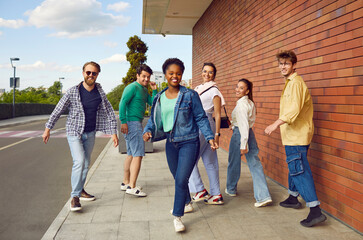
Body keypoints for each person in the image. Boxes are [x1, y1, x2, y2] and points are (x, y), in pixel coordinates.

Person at [143, 58, 218, 233]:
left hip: (189, 142)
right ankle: (187, 202)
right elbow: (154, 120)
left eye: (178, 73)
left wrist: (209, 137)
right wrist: (148, 131)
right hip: (171, 142)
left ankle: (177, 216)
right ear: (165, 75)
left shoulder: (190, 95)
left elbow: (201, 117)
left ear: (182, 75)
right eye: (171, 73)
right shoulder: (159, 97)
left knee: (181, 178)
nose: (175, 76)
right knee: (177, 176)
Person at [42, 61, 119, 212]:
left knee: (86, 164)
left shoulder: (100, 93)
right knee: (79, 161)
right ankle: (75, 197)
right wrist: (48, 128)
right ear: (83, 73)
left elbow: (109, 112)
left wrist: (113, 133)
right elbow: (58, 110)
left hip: (90, 132)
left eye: (94, 73)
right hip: (74, 132)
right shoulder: (72, 92)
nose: (91, 75)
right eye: (88, 72)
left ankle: (81, 190)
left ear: (97, 75)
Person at [264, 50, 326, 227]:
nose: (283, 66)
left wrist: (275, 124)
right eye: (281, 63)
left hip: (296, 136)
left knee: (299, 171)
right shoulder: (290, 82)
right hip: (293, 135)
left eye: (287, 63)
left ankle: (315, 211)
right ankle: (293, 197)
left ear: (294, 65)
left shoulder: (296, 83)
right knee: (295, 167)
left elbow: (293, 110)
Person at [225, 78, 272, 208]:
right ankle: (263, 196)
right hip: (248, 133)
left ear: (247, 91)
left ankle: (231, 189)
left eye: (241, 88)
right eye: (237, 87)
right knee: (255, 164)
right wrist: (234, 125)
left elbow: (244, 125)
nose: (237, 90)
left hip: (241, 135)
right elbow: (245, 123)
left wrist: (243, 144)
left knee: (233, 163)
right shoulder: (249, 103)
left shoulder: (241, 104)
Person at [188, 62, 224, 205]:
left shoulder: (215, 91)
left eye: (210, 72)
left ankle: (199, 189)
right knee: (210, 162)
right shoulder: (197, 88)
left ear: (214, 75)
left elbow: (218, 114)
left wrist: (217, 136)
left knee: (189, 159)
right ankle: (216, 194)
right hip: (197, 122)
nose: (207, 74)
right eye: (204, 71)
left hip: (205, 123)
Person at [119, 64, 157, 197]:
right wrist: (123, 121)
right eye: (144, 76)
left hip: (134, 123)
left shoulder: (144, 89)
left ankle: (125, 182)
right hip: (132, 123)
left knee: (130, 153)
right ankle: (132, 186)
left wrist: (154, 90)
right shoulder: (132, 87)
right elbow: (122, 103)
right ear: (137, 75)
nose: (146, 79)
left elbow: (153, 102)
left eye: (148, 77)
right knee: (138, 155)